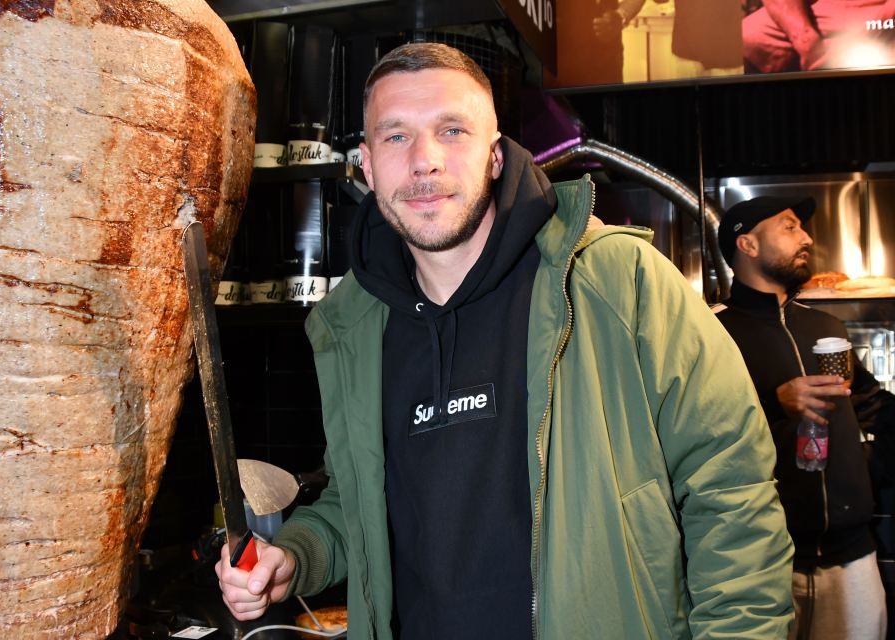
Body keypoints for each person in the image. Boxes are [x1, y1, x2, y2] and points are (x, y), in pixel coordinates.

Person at [216, 42, 794, 638]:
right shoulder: (353, 328)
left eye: (452, 130)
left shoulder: (617, 282)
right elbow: (357, 501)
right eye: (395, 137)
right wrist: (297, 555)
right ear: (365, 164)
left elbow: (732, 494)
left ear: (495, 156)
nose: (424, 161)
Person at [714, 196, 891, 639]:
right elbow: (697, 435)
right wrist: (775, 403)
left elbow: (870, 404)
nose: (807, 237)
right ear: (748, 244)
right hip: (764, 560)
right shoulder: (712, 332)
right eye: (790, 226)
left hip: (852, 557)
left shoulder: (828, 327)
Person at [742, 0, 895, 74]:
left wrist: (881, 24)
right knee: (750, 36)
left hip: (882, 12)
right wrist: (806, 39)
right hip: (823, 10)